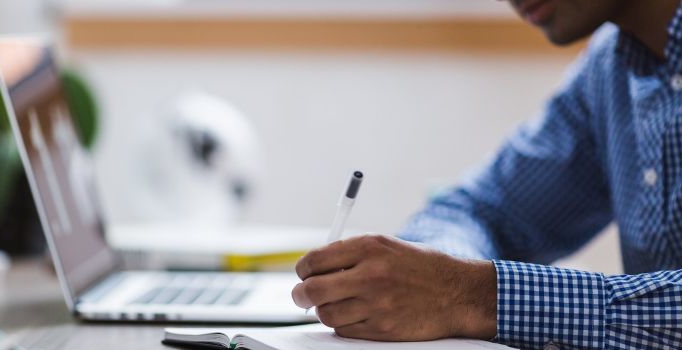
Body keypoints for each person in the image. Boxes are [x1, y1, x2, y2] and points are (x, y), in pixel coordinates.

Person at [290, 0, 682, 349]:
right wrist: (431, 275)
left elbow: (466, 287)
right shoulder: (610, 68)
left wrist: (473, 295)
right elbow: (480, 210)